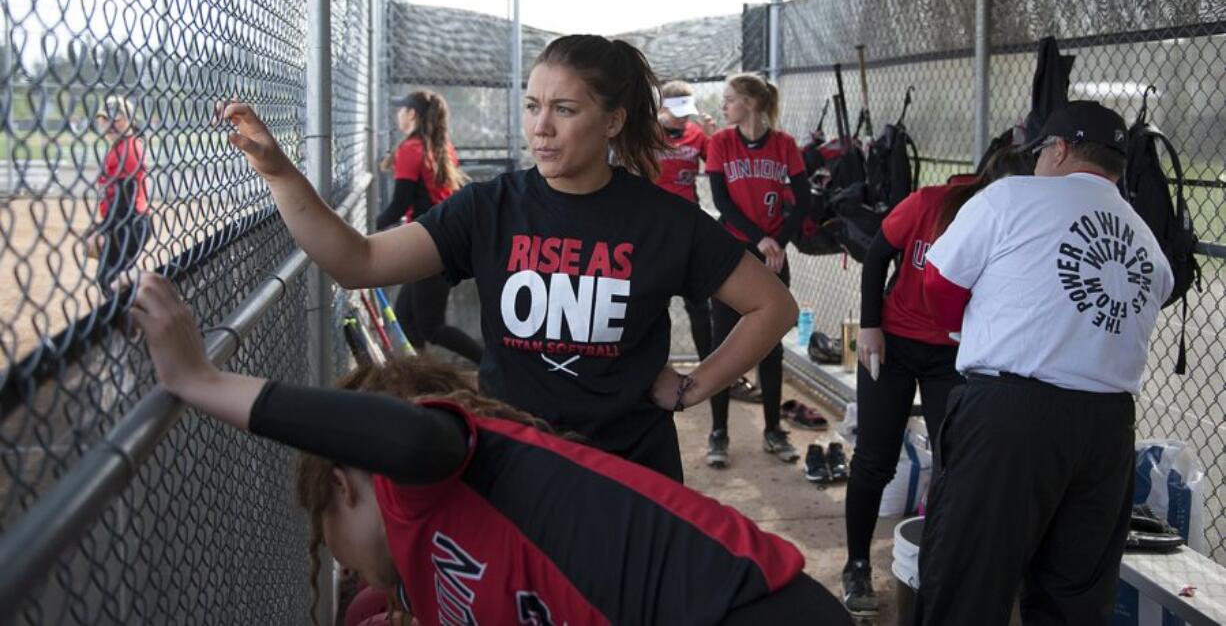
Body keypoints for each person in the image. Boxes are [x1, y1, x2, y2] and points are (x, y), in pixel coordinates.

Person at [219, 35, 798, 482]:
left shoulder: (661, 219)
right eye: (532, 105)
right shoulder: (490, 208)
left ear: (613, 122)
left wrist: (694, 387)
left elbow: (772, 306)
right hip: (513, 466)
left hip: (629, 475)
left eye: (565, 110)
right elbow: (358, 262)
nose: (540, 127)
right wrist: (278, 172)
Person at [127, 272, 853, 625]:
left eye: (328, 542)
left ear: (345, 486)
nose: (341, 567)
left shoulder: (432, 475)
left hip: (752, 612)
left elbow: (409, 435)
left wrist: (201, 380)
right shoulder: (413, 582)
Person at [915, 101, 1174, 625]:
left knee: (968, 584)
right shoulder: (1145, 238)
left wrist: (969, 326)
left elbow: (937, 285)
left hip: (1014, 415)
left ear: (1057, 149)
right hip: (1107, 427)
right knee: (1074, 601)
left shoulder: (1011, 196)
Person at [840, 146, 1033, 616]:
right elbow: (877, 254)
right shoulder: (931, 203)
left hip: (955, 353)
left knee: (955, 467)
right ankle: (858, 563)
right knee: (874, 459)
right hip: (896, 342)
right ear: (989, 184)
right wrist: (870, 325)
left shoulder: (1021, 225)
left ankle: (940, 569)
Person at [701, 72, 811, 467]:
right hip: (732, 253)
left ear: (749, 102)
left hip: (772, 255)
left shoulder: (784, 145)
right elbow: (721, 202)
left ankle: (773, 430)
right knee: (721, 344)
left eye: (729, 99)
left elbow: (801, 202)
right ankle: (719, 432)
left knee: (770, 348)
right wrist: (759, 239)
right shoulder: (721, 143)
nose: (724, 106)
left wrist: (778, 241)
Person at [374, 90, 483, 365]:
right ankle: (422, 379)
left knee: (431, 327)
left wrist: (369, 228)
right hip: (439, 240)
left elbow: (399, 204)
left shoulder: (412, 149)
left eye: (403, 109)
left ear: (412, 114)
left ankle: (491, 363)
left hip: (433, 245)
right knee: (407, 319)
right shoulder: (441, 146)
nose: (399, 114)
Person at [654, 80, 717, 369]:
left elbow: (717, 168)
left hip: (688, 221)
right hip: (655, 224)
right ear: (664, 106)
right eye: (677, 110)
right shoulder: (648, 133)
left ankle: (711, 370)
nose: (682, 117)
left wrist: (713, 138)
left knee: (698, 301)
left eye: (686, 111)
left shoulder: (696, 134)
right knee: (654, 303)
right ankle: (653, 369)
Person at [87, 95, 151, 288]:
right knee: (118, 279)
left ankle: (128, 315)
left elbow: (124, 201)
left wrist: (102, 231)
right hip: (124, 224)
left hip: (129, 225)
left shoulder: (128, 149)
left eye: (116, 119)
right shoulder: (121, 146)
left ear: (130, 119)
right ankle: (131, 312)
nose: (110, 125)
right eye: (105, 119)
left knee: (109, 278)